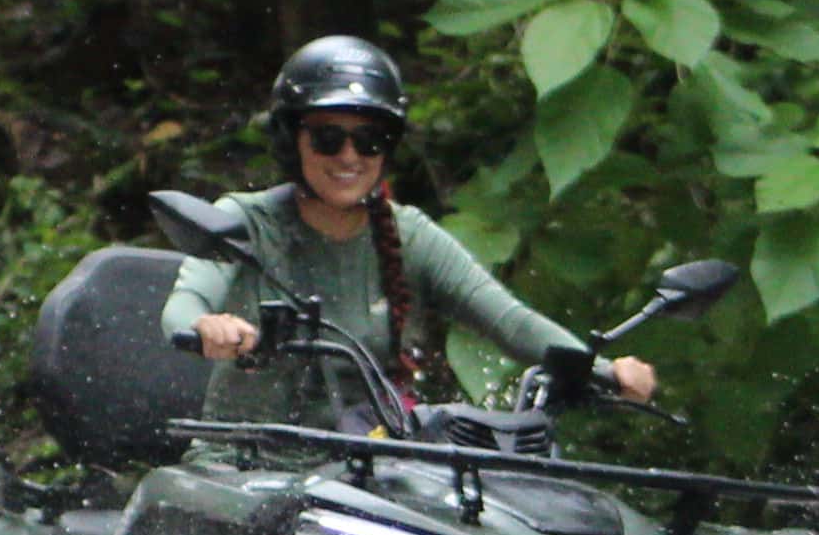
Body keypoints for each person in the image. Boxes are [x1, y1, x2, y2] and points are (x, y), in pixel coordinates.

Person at [158, 35, 652, 426]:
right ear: (292, 142)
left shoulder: (408, 234)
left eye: (369, 141)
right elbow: (183, 305)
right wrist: (206, 326)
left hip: (367, 473)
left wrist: (603, 372)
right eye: (329, 138)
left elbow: (510, 321)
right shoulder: (245, 222)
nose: (350, 157)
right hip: (244, 467)